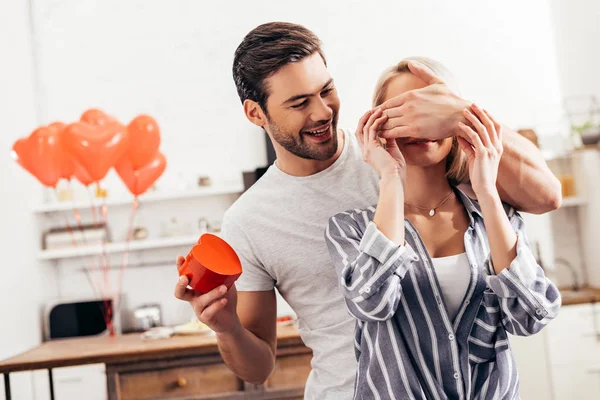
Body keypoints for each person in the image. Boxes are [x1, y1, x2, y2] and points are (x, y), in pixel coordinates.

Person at [174, 22, 561, 399]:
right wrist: (227, 330)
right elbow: (258, 367)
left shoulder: (408, 147)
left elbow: (547, 197)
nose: (323, 111)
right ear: (256, 113)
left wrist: (460, 110)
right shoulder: (251, 221)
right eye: (299, 103)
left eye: (326, 90)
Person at [324, 57, 561, 399]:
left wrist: (488, 191)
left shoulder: (495, 216)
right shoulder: (351, 229)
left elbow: (531, 316)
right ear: (379, 123)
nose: (420, 127)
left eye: (431, 111)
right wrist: (390, 177)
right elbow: (371, 303)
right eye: (403, 112)